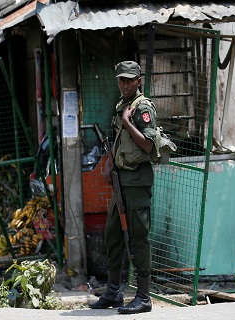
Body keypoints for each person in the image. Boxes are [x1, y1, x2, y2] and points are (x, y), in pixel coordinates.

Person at [89, 60, 157, 314]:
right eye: (121, 80)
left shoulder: (142, 108)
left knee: (137, 238)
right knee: (113, 234)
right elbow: (118, 142)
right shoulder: (121, 107)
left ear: (139, 80)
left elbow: (149, 146)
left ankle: (143, 297)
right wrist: (108, 164)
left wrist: (129, 122)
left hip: (137, 182)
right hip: (121, 182)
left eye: (130, 80)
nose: (125, 84)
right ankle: (114, 292)